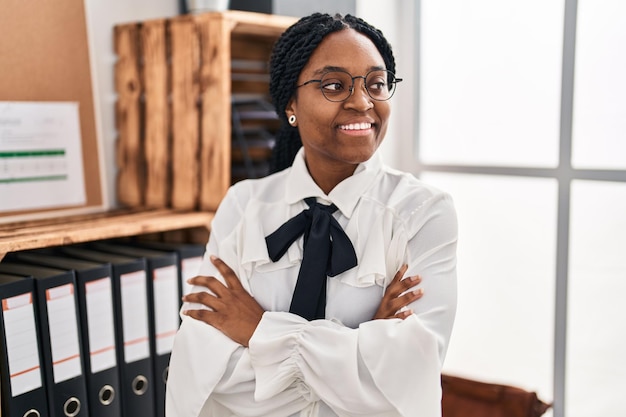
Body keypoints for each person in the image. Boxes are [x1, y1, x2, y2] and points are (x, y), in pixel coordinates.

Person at [165, 12, 458, 417]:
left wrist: (256, 331)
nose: (362, 102)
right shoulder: (243, 205)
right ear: (290, 103)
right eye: (334, 85)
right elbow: (201, 372)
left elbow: (411, 376)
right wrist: (360, 348)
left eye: (376, 84)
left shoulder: (422, 212)